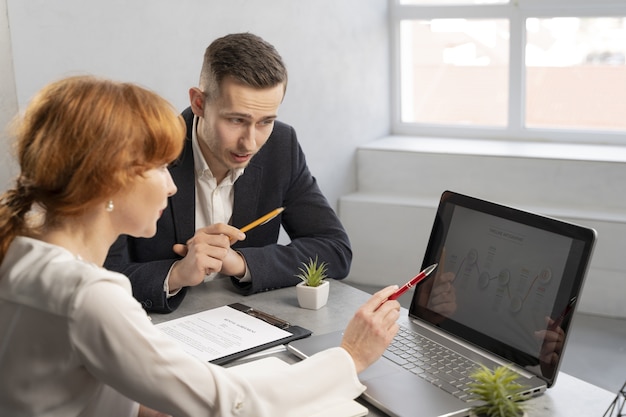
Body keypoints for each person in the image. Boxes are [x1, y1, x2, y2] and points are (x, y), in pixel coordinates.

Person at [0, 75, 401, 417]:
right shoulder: (89, 298)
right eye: (159, 168)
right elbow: (233, 404)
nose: (172, 184)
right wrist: (349, 357)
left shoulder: (21, 258)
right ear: (109, 179)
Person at [104, 32, 352, 313]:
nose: (250, 142)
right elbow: (100, 275)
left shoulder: (282, 145)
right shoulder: (143, 151)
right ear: (199, 103)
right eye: (236, 120)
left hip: (247, 323)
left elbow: (335, 250)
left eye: (265, 122)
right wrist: (176, 274)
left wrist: (240, 263)